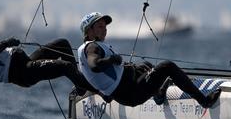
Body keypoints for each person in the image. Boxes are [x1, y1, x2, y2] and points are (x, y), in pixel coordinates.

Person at [76, 11, 221, 108]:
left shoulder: (90, 46)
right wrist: (112, 59)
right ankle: (204, 101)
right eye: (100, 26)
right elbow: (94, 64)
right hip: (130, 93)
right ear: (89, 31)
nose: (105, 29)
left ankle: (158, 94)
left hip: (127, 89)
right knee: (167, 66)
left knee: (145, 65)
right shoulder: (92, 48)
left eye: (105, 26)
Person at [0, 8, 93, 91]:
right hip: (23, 73)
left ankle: (81, 87)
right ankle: (97, 90)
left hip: (26, 63)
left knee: (62, 43)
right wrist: (7, 42)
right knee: (67, 67)